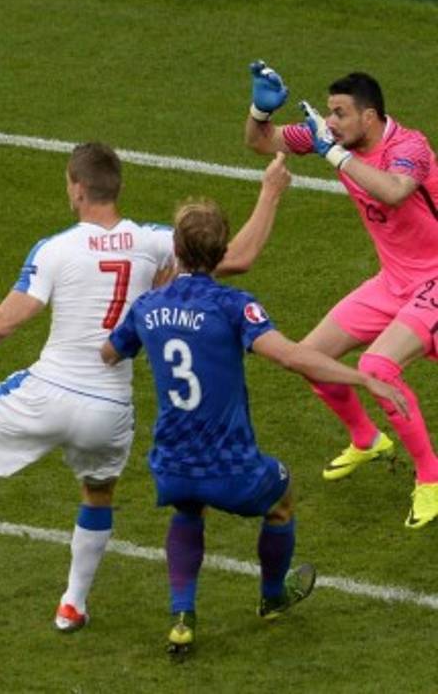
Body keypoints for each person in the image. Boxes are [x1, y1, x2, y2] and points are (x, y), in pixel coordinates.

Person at [0, 142, 291, 633]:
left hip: (49, 389)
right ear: (116, 186)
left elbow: (3, 324)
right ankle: (71, 604)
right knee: (97, 492)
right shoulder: (155, 240)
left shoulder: (55, 249)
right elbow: (238, 257)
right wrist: (269, 192)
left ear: (76, 188)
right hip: (109, 407)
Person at [102, 198, 407, 656]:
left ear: (176, 251)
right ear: (223, 252)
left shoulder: (148, 306)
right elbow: (290, 356)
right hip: (231, 467)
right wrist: (361, 377)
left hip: (170, 462)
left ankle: (182, 616)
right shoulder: (233, 306)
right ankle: (271, 598)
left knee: (188, 509)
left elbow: (109, 353)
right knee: (281, 498)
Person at [244, 61, 438, 528]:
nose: (329, 121)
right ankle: (368, 439)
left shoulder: (410, 146)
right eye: (328, 112)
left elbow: (394, 191)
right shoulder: (332, 138)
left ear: (368, 118)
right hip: (394, 281)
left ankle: (431, 477)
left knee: (376, 366)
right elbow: (259, 142)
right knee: (308, 355)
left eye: (340, 113)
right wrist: (260, 111)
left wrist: (333, 154)